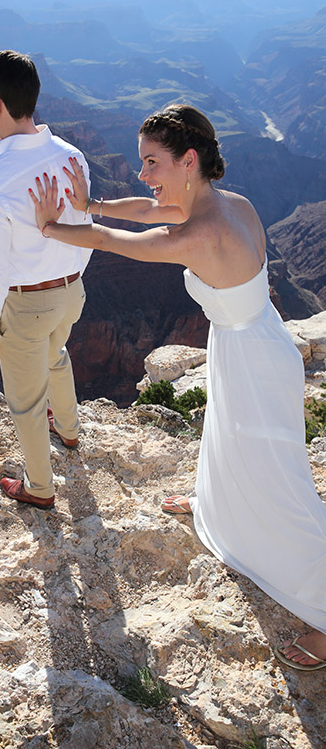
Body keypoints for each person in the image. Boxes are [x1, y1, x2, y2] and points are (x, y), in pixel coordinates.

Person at [28, 104, 326, 670]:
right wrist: (88, 199)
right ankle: (217, 505)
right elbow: (143, 208)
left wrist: (52, 224)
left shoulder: (202, 230)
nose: (143, 175)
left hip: (255, 362)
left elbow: (119, 240)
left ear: (189, 161)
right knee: (227, 441)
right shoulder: (232, 202)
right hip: (253, 347)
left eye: (152, 162)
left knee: (286, 492)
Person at [0, 50, 92, 511]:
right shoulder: (72, 155)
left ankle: (39, 488)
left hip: (26, 306)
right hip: (70, 294)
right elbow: (86, 232)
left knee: (25, 401)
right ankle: (71, 430)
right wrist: (71, 279)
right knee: (55, 354)